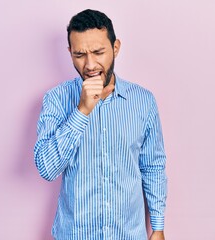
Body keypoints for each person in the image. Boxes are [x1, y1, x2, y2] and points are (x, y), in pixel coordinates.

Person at [34, 9, 167, 240]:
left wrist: (157, 227)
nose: (90, 64)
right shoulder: (56, 99)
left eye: (98, 52)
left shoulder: (143, 101)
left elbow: (153, 166)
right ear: (70, 53)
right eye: (79, 54)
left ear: (115, 48)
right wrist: (82, 110)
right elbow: (47, 168)